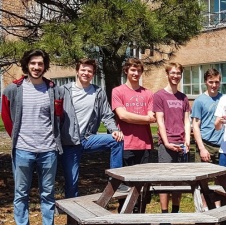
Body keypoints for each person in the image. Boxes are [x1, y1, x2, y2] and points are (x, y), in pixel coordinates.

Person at [1, 48, 64, 225]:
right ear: (27, 65)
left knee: (48, 192)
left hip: (48, 149)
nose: (37, 67)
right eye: (33, 63)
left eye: (40, 64)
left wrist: (54, 141)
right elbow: (6, 116)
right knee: (21, 192)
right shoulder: (13, 89)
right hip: (23, 150)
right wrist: (17, 139)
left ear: (45, 66)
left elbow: (58, 118)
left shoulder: (53, 89)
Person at [59, 58, 124, 199]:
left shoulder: (98, 92)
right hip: (69, 142)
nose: (86, 73)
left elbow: (107, 114)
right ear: (77, 71)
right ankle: (72, 218)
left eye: (90, 71)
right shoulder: (63, 91)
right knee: (72, 182)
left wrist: (114, 129)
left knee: (116, 140)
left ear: (93, 74)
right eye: (83, 69)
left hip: (88, 139)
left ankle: (116, 181)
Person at [112, 58, 155, 201]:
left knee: (143, 187)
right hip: (125, 144)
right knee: (125, 186)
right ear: (126, 71)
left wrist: (133, 117)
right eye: (132, 70)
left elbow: (152, 117)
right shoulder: (117, 91)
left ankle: (141, 219)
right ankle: (124, 220)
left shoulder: (148, 93)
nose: (136, 73)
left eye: (138, 70)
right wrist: (145, 119)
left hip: (145, 144)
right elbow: (122, 115)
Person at [153, 62, 191, 213]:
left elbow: (187, 120)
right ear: (167, 74)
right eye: (173, 73)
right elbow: (160, 122)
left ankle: (176, 211)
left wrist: (187, 141)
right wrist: (167, 143)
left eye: (178, 73)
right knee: (165, 180)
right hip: (166, 145)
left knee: (179, 181)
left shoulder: (184, 98)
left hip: (182, 144)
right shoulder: (159, 96)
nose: (175, 76)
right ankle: (164, 213)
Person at [192, 68, 224, 165]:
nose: (214, 85)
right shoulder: (199, 101)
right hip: (206, 144)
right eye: (211, 82)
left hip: (222, 146)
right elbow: (195, 125)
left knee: (222, 178)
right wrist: (202, 148)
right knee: (203, 178)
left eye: (217, 82)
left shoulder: (224, 99)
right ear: (205, 82)